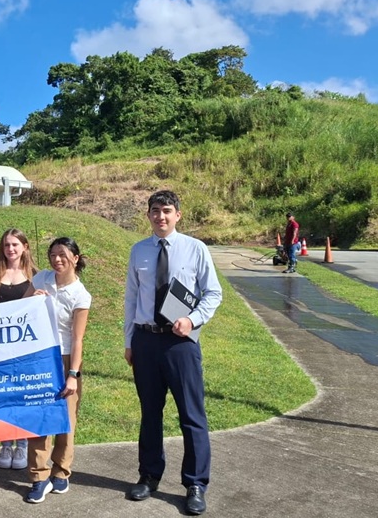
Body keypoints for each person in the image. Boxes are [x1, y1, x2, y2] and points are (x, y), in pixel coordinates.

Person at [123, 190, 223, 516]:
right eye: (155, 210)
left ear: (178, 215)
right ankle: (149, 475)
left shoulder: (195, 248)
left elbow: (213, 293)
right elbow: (131, 299)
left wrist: (192, 320)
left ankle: (195, 484)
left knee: (191, 415)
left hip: (181, 344)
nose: (160, 216)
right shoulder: (139, 251)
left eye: (167, 210)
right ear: (148, 215)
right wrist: (129, 341)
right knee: (150, 413)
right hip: (146, 341)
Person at [25, 237, 91, 503]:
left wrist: (73, 375)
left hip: (65, 358)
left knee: (66, 418)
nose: (57, 259)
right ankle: (38, 476)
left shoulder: (80, 294)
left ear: (75, 258)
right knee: (40, 416)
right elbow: (20, 310)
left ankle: (61, 471)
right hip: (40, 356)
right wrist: (32, 299)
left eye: (62, 254)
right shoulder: (41, 278)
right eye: (52, 254)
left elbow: (78, 339)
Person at [0, 228, 39, 471]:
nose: (10, 249)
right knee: (3, 395)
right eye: (6, 245)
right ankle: (5, 444)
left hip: (25, 346)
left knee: (21, 394)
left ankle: (22, 442)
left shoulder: (36, 276)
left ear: (25, 247)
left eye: (15, 244)